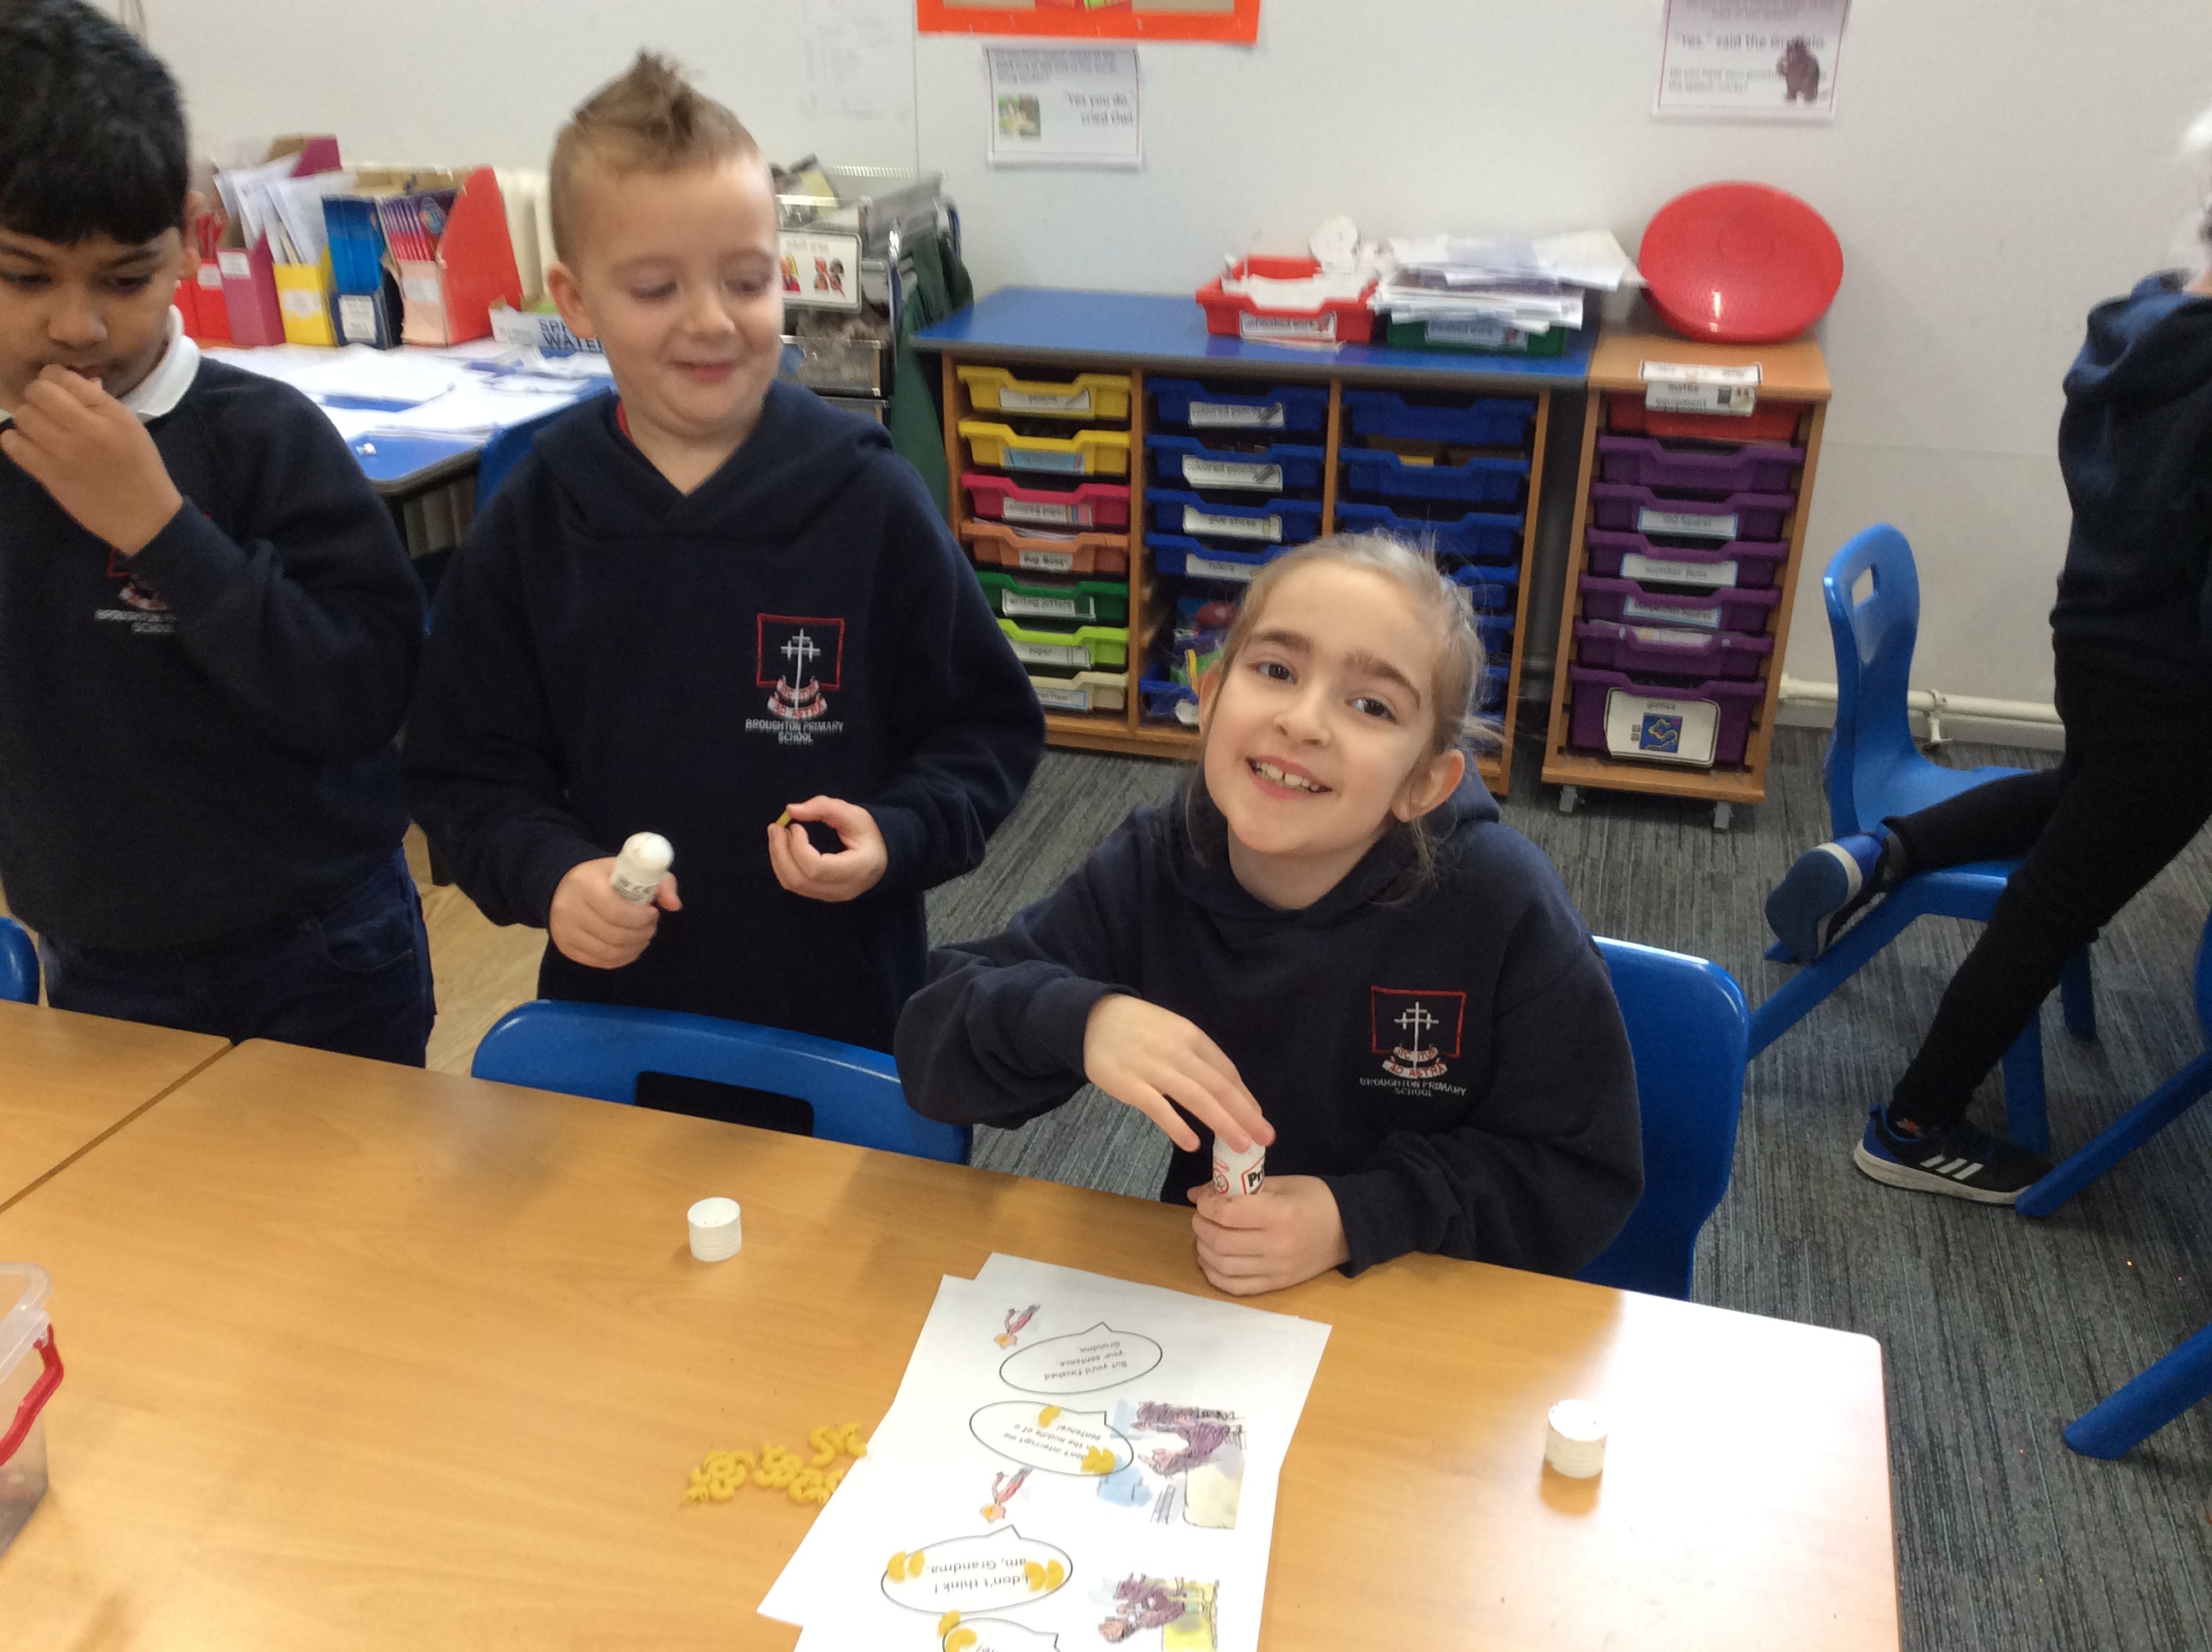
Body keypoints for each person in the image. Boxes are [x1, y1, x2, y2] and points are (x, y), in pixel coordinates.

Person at [404, 55, 1042, 1102]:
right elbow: (466, 771)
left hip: (840, 1012)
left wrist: (896, 834)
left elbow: (987, 729)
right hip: (614, 1016)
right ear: (576, 300)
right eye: (656, 288)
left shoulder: (869, 500)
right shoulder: (537, 513)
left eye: (746, 281)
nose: (710, 319)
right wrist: (550, 875)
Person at [895, 535, 1640, 1295]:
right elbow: (932, 1037)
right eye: (1277, 670)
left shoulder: (1501, 902)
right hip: (1214, 1297)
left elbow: (1580, 1175)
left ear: (1423, 783)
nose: (1303, 721)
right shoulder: (1157, 864)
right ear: (1211, 696)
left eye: (1372, 705)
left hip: (1420, 1298)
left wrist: (1356, 1214)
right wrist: (1082, 1021)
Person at [1766, 156, 2212, 1204]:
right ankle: (1914, 1122)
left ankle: (1885, 851)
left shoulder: (2154, 323)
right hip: (2177, 683)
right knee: (2057, 902)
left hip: (2098, 636)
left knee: (2078, 804)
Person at [0, 0, 432, 1062]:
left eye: (125, 279)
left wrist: (161, 529)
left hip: (318, 945)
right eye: (24, 275)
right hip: (99, 954)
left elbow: (363, 693)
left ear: (192, 242)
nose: (76, 325)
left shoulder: (261, 437)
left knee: (348, 1170)